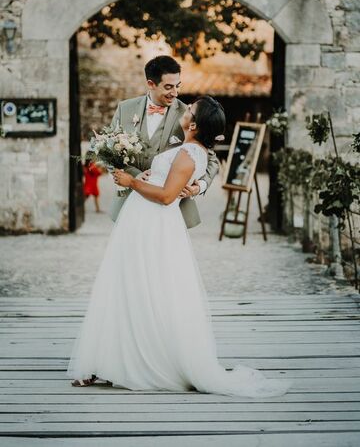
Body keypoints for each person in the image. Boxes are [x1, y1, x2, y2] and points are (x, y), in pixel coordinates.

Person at [67, 96, 290, 398]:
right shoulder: (190, 148)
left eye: (191, 111)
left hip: (153, 224)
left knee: (144, 289)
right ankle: (116, 360)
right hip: (143, 221)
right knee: (133, 288)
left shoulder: (188, 153)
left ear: (194, 124)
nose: (184, 110)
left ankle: (142, 361)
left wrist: (131, 183)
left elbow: (167, 196)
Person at [109, 55, 219, 228]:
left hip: (170, 210)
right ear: (151, 84)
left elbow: (211, 159)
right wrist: (134, 175)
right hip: (130, 204)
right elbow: (109, 153)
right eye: (168, 87)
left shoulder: (188, 115)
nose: (175, 93)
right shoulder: (125, 109)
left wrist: (200, 186)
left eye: (177, 86)